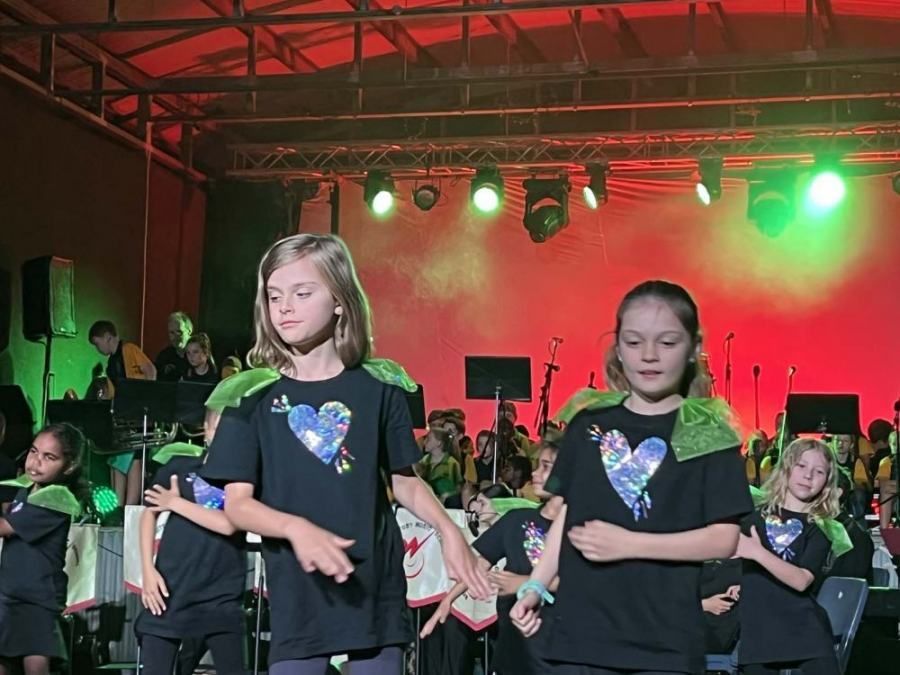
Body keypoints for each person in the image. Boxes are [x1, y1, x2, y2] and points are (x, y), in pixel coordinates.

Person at [200, 233, 489, 674]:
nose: (285, 307)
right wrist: (295, 529)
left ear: (339, 300)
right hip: (299, 595)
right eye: (274, 295)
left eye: (301, 292)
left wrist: (450, 533)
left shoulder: (380, 388)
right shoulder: (251, 396)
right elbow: (237, 505)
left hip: (374, 588)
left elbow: (405, 482)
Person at [511, 280, 752, 674]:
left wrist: (630, 543)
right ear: (618, 347)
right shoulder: (588, 424)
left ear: (693, 348)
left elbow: (724, 539)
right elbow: (569, 518)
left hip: (663, 643)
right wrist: (536, 585)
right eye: (635, 342)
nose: (650, 356)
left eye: (668, 342)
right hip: (578, 637)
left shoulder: (706, 432)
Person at [422, 442, 563, 675]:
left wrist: (526, 583)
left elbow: (584, 580)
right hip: (513, 645)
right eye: (537, 466)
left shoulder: (580, 528)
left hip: (558, 648)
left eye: (545, 467)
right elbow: (480, 564)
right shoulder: (516, 520)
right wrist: (448, 600)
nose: (535, 473)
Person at [135, 411, 245, 675]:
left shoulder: (243, 481)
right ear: (205, 430)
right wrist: (148, 572)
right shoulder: (179, 468)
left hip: (220, 595)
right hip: (170, 590)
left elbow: (229, 523)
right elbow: (148, 514)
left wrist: (175, 503)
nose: (223, 436)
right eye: (217, 428)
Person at [737, 438, 848, 675]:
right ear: (786, 468)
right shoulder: (753, 519)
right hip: (758, 630)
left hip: (805, 631)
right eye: (801, 466)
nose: (808, 475)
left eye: (818, 471)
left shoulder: (820, 528)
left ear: (826, 483)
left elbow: (801, 580)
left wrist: (757, 553)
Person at [0, 423, 86, 675]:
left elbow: (6, 527)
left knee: (36, 666)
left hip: (37, 599)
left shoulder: (56, 498)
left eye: (49, 457)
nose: (36, 462)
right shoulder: (27, 490)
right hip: (10, 594)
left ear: (68, 466)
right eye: (33, 452)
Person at [88, 319, 156, 506]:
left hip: (138, 416)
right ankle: (120, 506)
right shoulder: (112, 362)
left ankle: (129, 506)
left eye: (97, 344)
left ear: (107, 337)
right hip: (125, 416)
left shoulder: (129, 349)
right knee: (119, 459)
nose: (98, 349)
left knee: (133, 459)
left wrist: (145, 399)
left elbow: (150, 371)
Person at [155, 312, 193, 382]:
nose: (175, 337)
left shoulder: (200, 355)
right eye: (172, 333)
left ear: (189, 331)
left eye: (179, 332)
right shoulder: (164, 356)